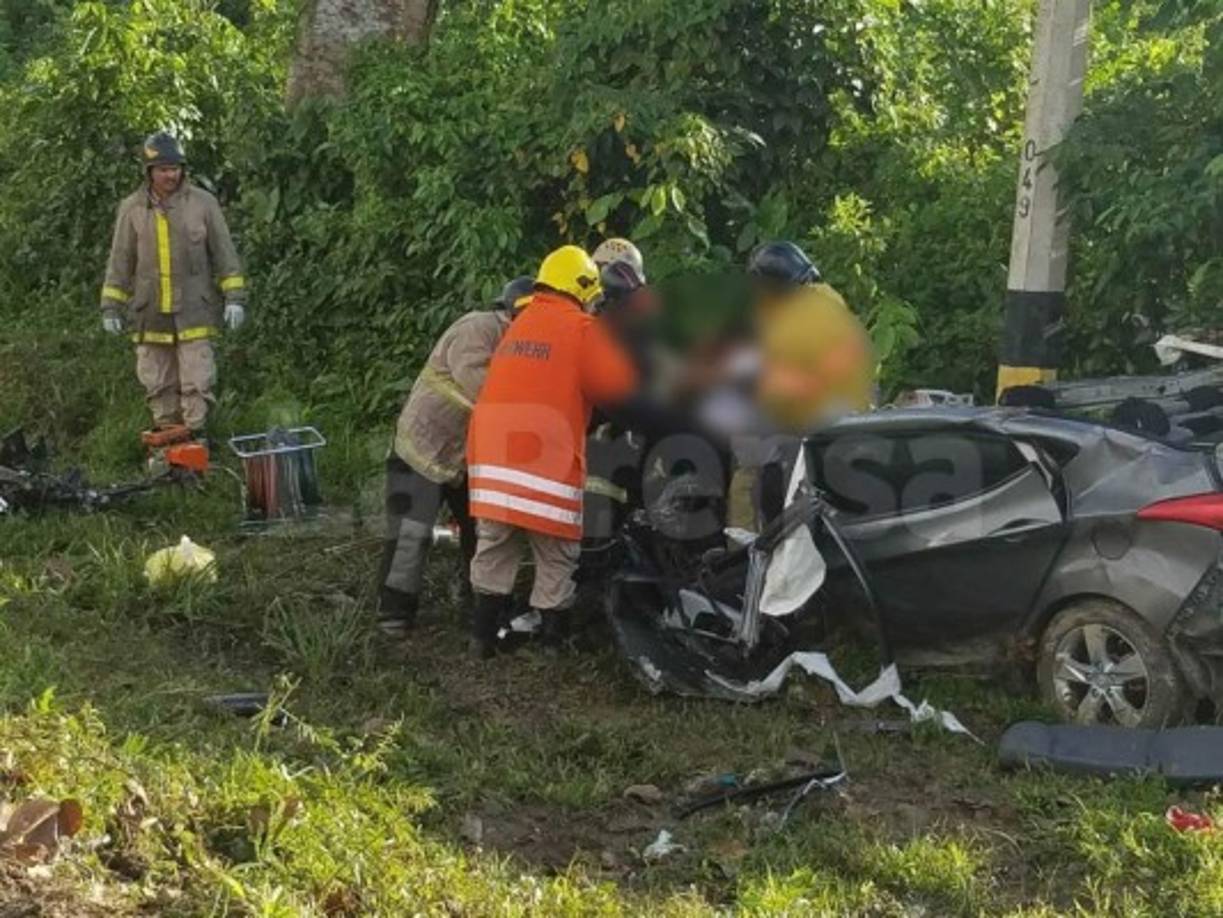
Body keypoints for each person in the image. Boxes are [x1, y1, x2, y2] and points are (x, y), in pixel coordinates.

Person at [466, 246, 637, 658]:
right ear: (582, 287)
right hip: (543, 465)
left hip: (489, 463)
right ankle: (551, 642)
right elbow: (621, 389)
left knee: (494, 546)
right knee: (557, 553)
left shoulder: (519, 325)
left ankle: (482, 640)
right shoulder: (583, 329)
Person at [377, 276, 535, 637]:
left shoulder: (519, 344)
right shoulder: (478, 329)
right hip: (422, 450)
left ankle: (479, 608)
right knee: (410, 535)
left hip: (465, 458)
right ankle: (394, 613)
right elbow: (483, 388)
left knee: (480, 535)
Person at [100, 132, 247, 436]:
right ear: (149, 172)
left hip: (195, 310)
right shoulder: (132, 209)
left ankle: (196, 440)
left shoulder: (203, 204)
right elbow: (120, 261)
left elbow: (225, 254)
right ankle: (166, 446)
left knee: (197, 379)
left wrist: (235, 297)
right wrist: (111, 307)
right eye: (164, 169)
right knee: (157, 382)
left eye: (176, 168)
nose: (171, 175)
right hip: (149, 312)